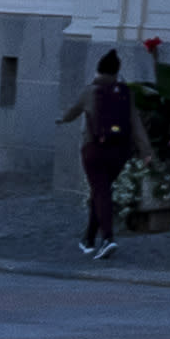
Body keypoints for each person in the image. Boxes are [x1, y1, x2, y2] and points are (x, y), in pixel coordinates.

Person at [61, 47, 140, 257]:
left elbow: (73, 111)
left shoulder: (91, 91)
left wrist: (62, 119)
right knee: (100, 191)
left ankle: (107, 238)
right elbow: (136, 123)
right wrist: (147, 150)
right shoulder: (126, 92)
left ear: (98, 70)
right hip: (120, 151)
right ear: (116, 72)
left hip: (94, 150)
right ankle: (88, 239)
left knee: (101, 191)